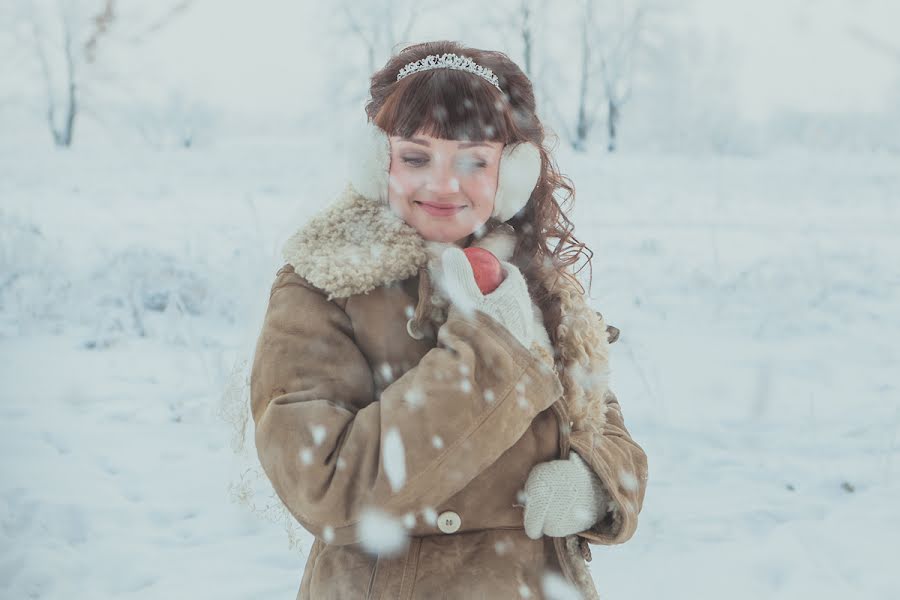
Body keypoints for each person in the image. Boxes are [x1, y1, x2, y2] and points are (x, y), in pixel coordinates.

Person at [250, 40, 648, 600]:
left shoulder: (540, 286)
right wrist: (491, 351)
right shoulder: (324, 285)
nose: (442, 185)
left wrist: (599, 488)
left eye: (472, 161)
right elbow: (325, 487)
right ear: (377, 161)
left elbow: (609, 432)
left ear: (510, 174)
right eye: (415, 157)